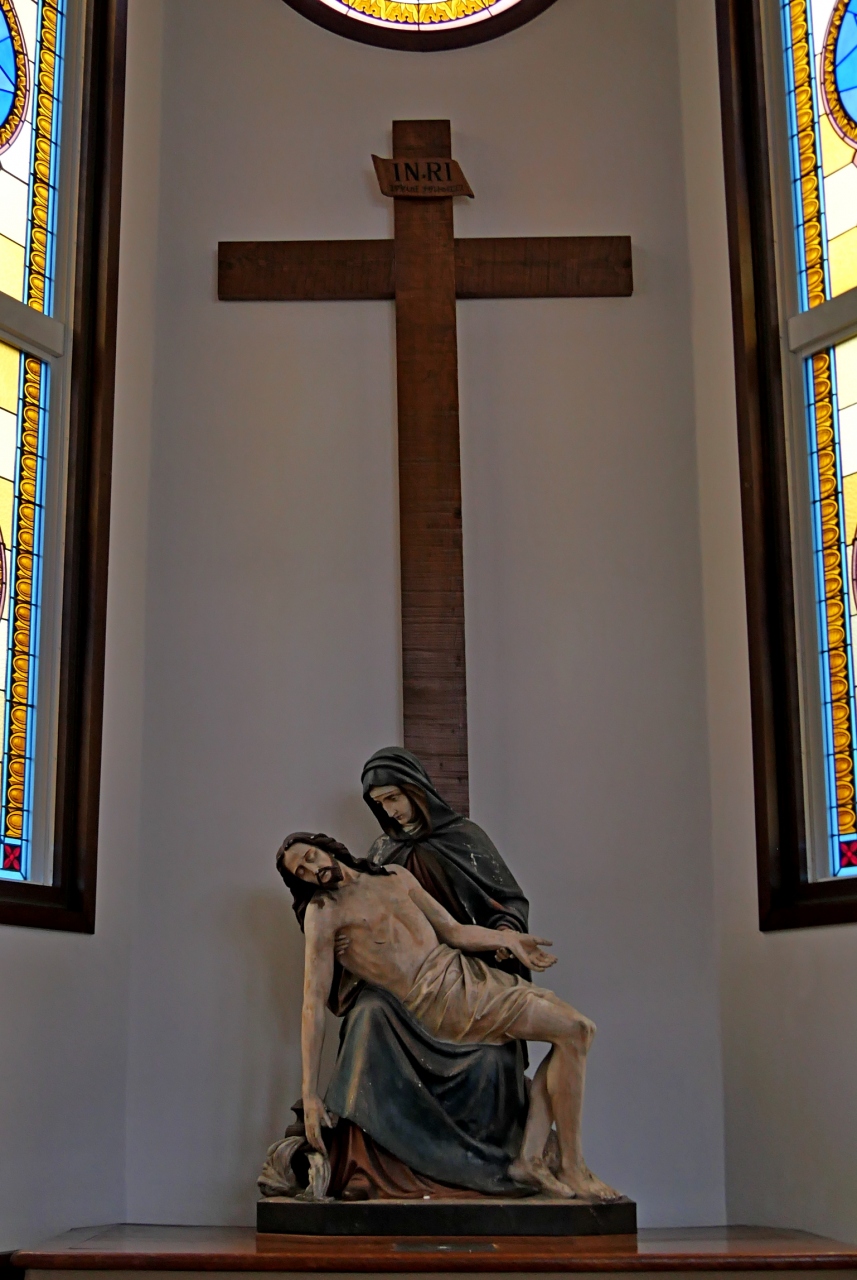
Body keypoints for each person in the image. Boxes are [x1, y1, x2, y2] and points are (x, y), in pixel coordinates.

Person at [278, 833, 618, 1201]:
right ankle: (571, 1167)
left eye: (310, 857)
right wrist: (309, 1094)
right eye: (301, 872)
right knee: (574, 1030)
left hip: (468, 976)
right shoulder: (323, 913)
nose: (312, 869)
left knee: (578, 1031)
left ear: (326, 847)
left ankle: (531, 1158)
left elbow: (454, 932)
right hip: (437, 1003)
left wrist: (508, 941)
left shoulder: (394, 876)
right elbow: (313, 1002)